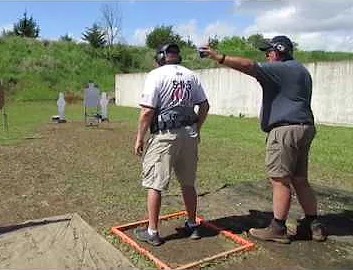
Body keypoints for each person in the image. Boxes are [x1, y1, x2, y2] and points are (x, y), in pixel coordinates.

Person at [199, 35, 326, 243]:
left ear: (278, 51)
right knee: (300, 179)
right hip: (305, 128)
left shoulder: (281, 68)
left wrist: (218, 57)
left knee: (279, 180)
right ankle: (314, 225)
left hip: (285, 131)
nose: (266, 56)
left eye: (268, 52)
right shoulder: (301, 70)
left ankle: (277, 228)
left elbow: (249, 66)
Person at [133, 43, 210, 246]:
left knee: (155, 183)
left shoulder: (156, 75)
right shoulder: (191, 75)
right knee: (187, 182)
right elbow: (204, 105)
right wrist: (197, 129)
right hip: (189, 133)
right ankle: (192, 224)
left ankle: (152, 232)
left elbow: (147, 111)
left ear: (160, 57)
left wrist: (140, 137)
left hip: (165, 135)